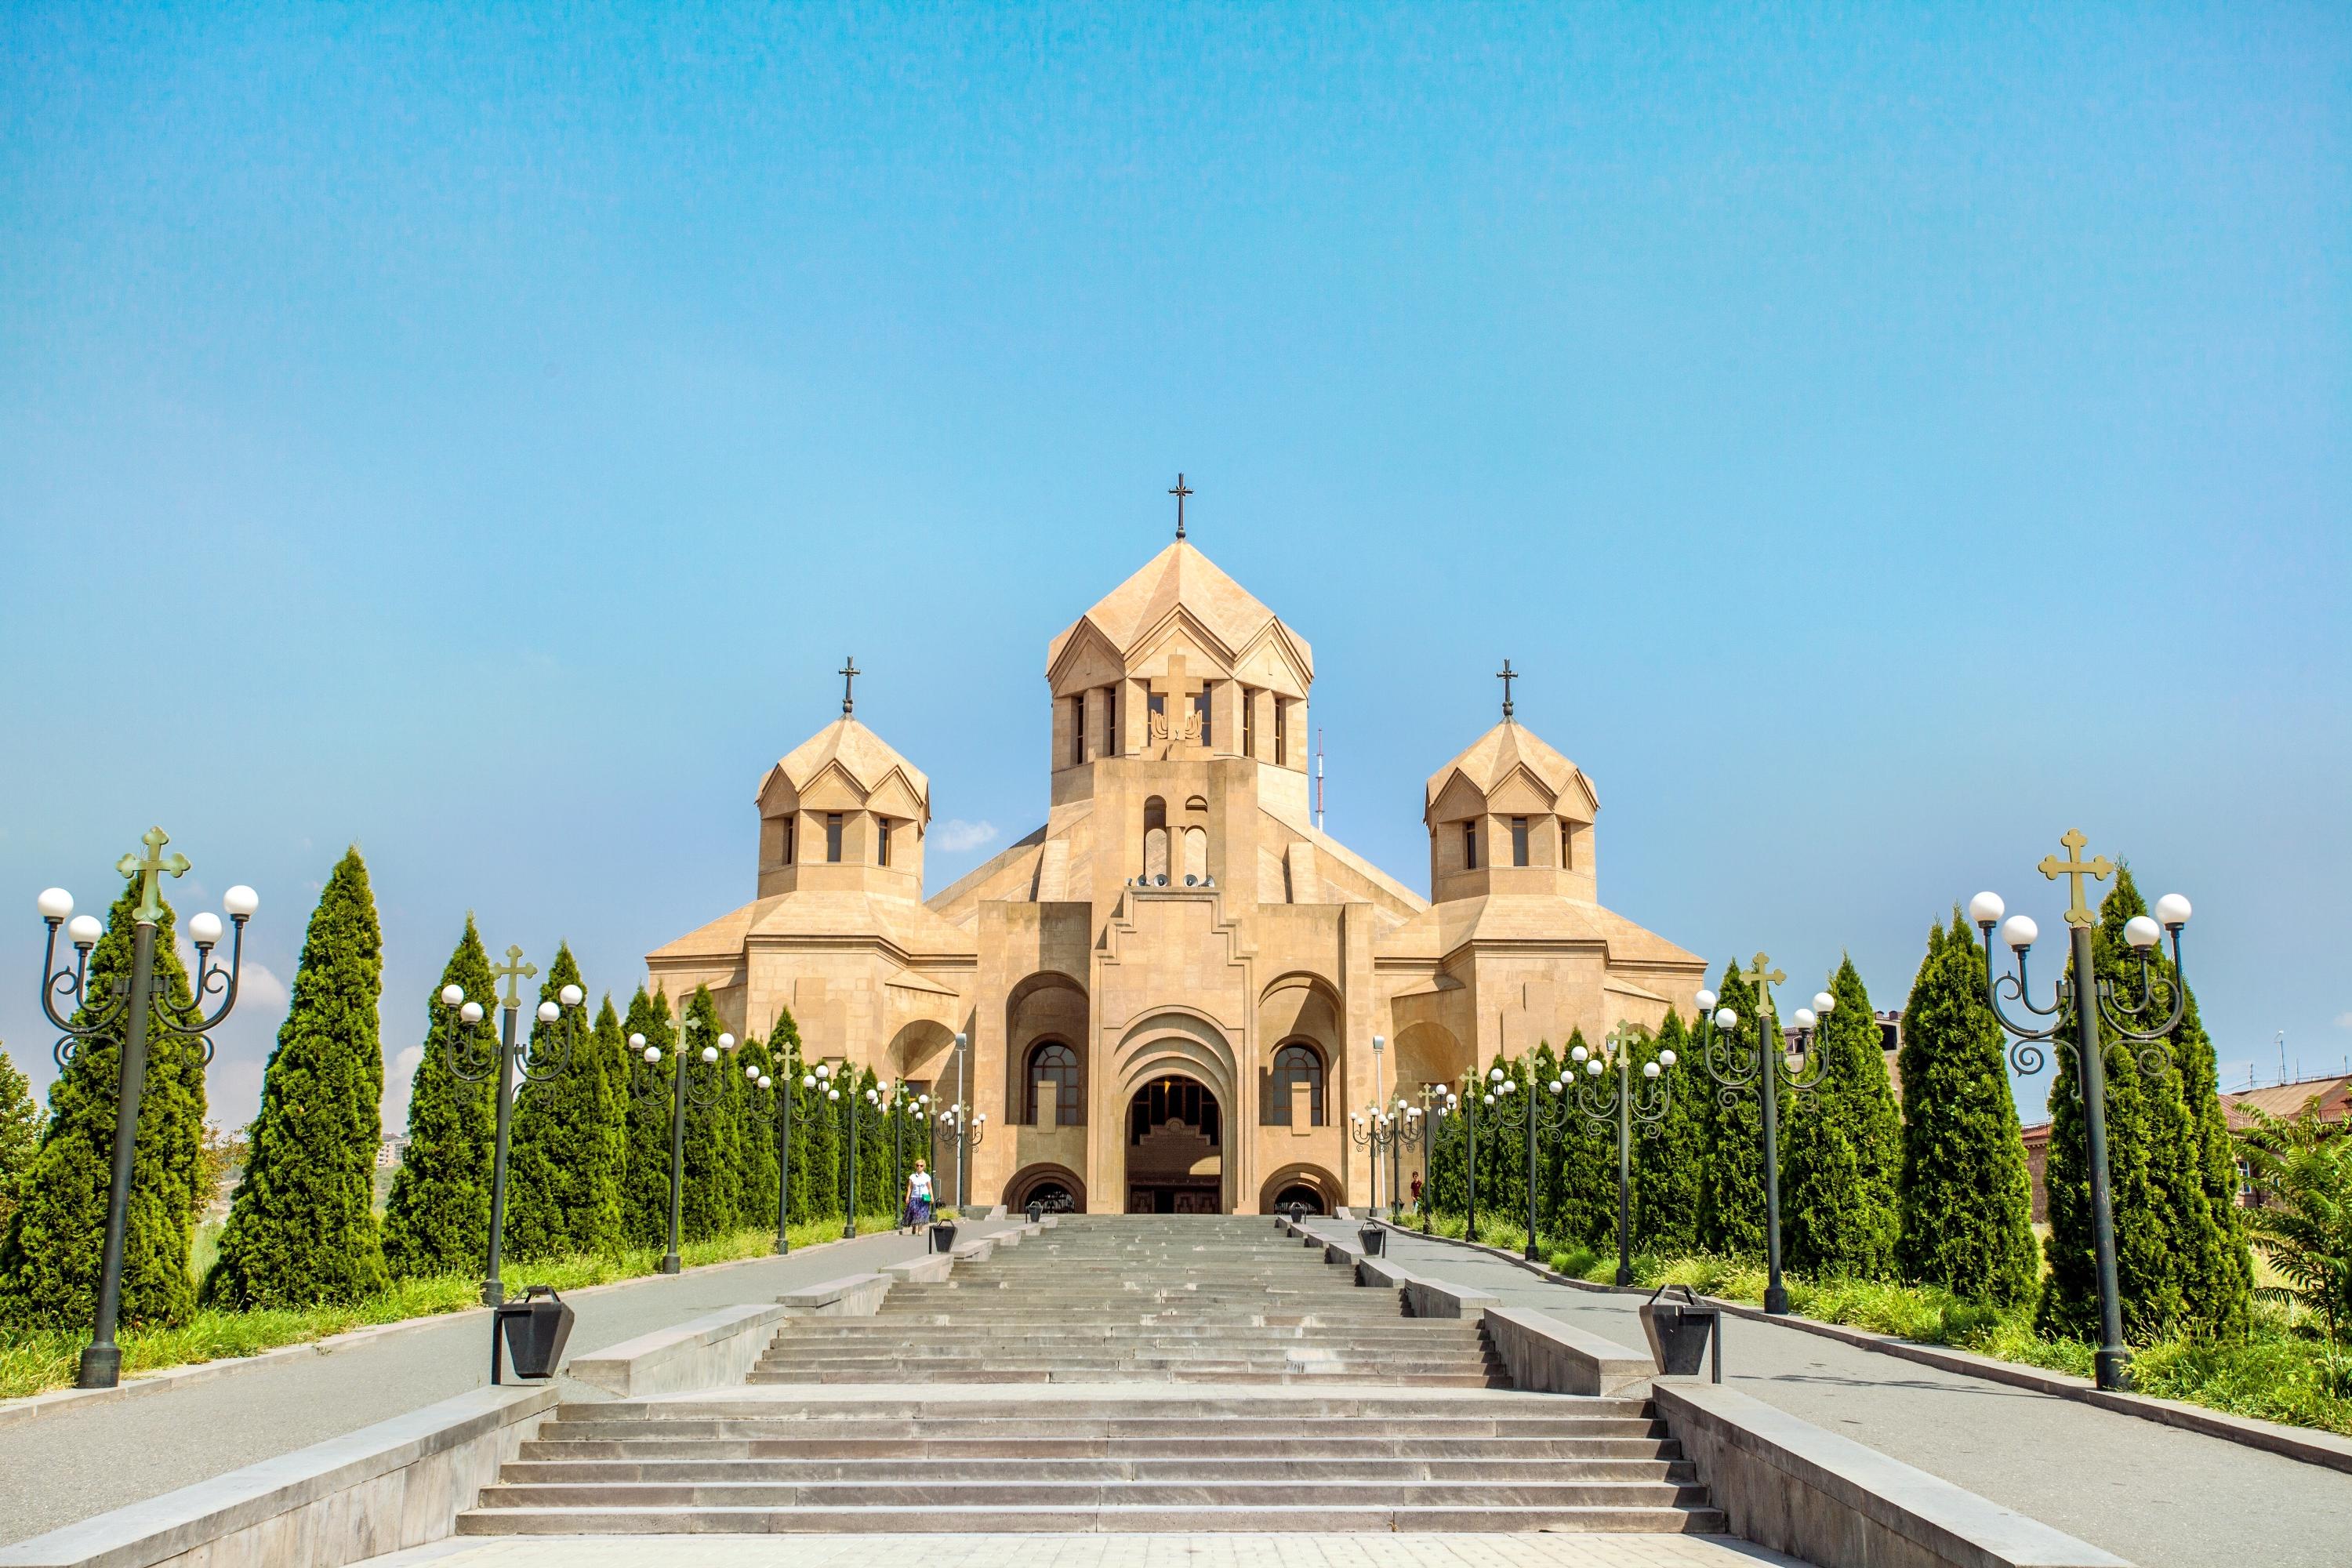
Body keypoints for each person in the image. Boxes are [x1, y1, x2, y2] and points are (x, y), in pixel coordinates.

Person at [902, 1159, 935, 1232]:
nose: (919, 1167)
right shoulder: (912, 1176)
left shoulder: (927, 1177)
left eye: (921, 1166)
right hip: (914, 1198)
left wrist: (932, 1197)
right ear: (916, 1166)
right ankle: (914, 1227)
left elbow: (929, 1187)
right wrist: (907, 1197)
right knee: (914, 1213)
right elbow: (910, 1187)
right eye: (917, 1165)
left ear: (924, 1167)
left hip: (924, 1198)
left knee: (921, 1214)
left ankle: (920, 1230)